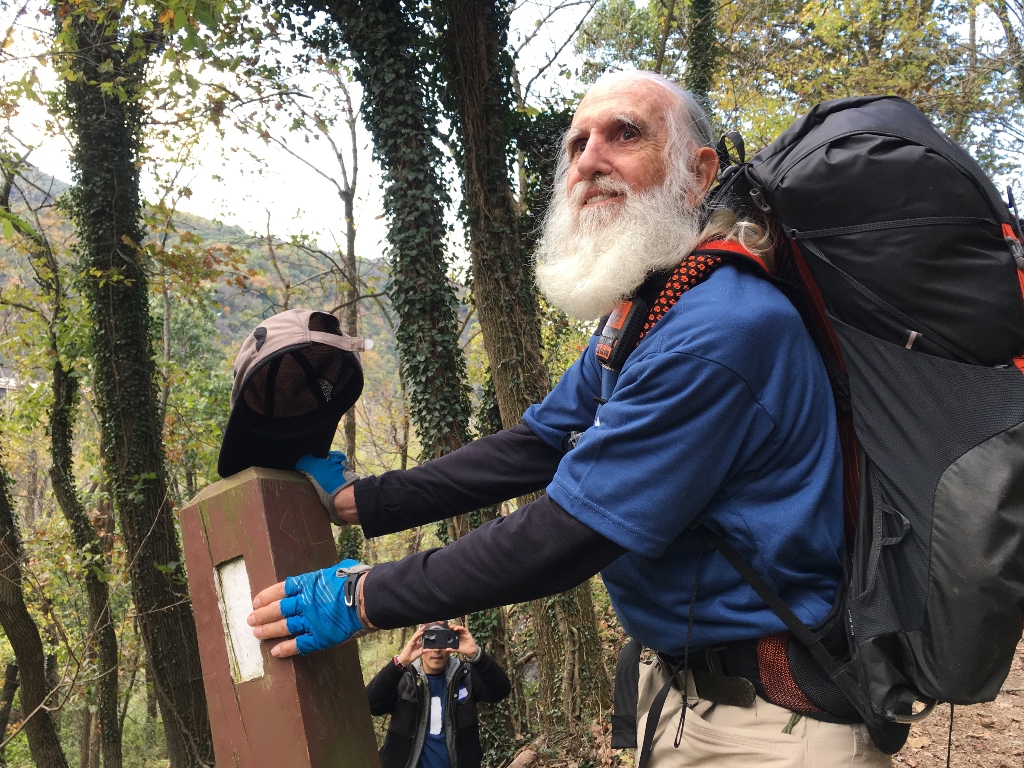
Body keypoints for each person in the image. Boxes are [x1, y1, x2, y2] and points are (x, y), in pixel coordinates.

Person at [248, 69, 889, 767]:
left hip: (769, 726)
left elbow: (568, 532)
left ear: (698, 172)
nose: (589, 159)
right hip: (679, 696)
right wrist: (359, 502)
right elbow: (536, 443)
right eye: (578, 142)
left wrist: (363, 595)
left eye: (626, 134)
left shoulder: (723, 328)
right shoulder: (647, 310)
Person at [366, 622, 511, 768]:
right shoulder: (404, 678)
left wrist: (477, 655)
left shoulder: (465, 676)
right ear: (420, 643)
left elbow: (501, 691)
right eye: (430, 641)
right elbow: (370, 705)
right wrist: (400, 663)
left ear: (451, 644)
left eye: (442, 640)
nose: (436, 650)